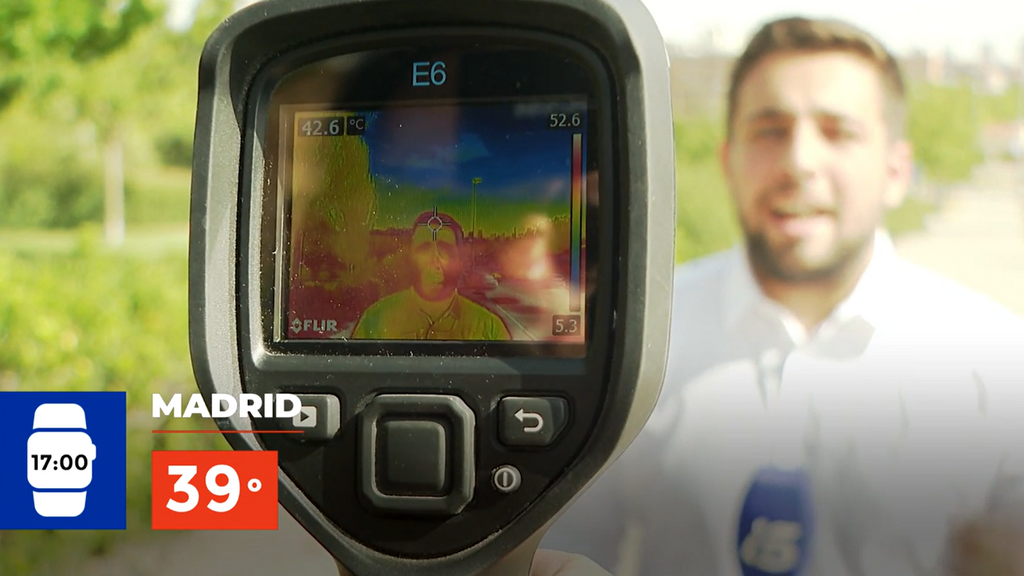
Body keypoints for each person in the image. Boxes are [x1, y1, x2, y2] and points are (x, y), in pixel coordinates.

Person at [541, 16, 1024, 575]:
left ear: (897, 170)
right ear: (727, 161)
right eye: (770, 129)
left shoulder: (998, 362)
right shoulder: (629, 341)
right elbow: (568, 551)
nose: (799, 163)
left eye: (837, 131)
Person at [352, 209, 512, 340]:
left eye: (445, 249)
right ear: (409, 257)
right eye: (424, 249)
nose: (434, 258)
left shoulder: (489, 328)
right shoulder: (375, 319)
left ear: (461, 261)